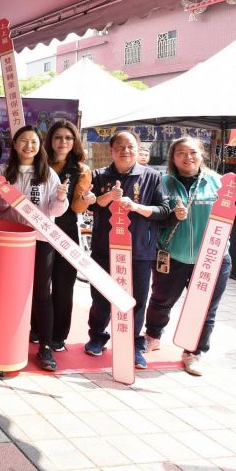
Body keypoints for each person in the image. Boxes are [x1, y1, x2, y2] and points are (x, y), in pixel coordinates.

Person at [144, 137, 236, 375]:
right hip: (173, 255)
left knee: (204, 309)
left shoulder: (219, 182)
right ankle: (152, 335)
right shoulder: (162, 183)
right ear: (173, 158)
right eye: (181, 153)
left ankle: (194, 352)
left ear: (201, 154)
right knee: (161, 301)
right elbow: (154, 219)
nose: (188, 157)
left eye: (193, 152)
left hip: (212, 259)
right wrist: (172, 215)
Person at [84, 130, 170, 369]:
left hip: (140, 250)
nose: (125, 151)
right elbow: (91, 207)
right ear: (111, 150)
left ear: (138, 149)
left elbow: (164, 211)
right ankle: (97, 337)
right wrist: (106, 197)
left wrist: (137, 207)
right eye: (120, 147)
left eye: (130, 146)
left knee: (137, 300)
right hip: (104, 247)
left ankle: (133, 345)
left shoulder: (152, 176)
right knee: (101, 296)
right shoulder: (99, 175)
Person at [0, 125, 69, 371]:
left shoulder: (48, 174)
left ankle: (45, 347)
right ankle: (5, 344)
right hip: (11, 241)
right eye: (23, 141)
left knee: (42, 293)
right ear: (14, 144)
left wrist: (61, 198)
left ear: (40, 145)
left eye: (33, 142)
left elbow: (55, 211)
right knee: (8, 292)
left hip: (41, 240)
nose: (28, 146)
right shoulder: (3, 172)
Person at [43, 120, 94, 351]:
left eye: (68, 138)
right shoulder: (40, 165)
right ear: (50, 140)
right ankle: (38, 328)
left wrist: (84, 199)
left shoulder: (81, 170)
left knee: (64, 286)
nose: (63, 142)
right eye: (58, 137)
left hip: (65, 232)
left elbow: (77, 208)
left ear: (74, 142)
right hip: (39, 230)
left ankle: (58, 336)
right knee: (39, 284)